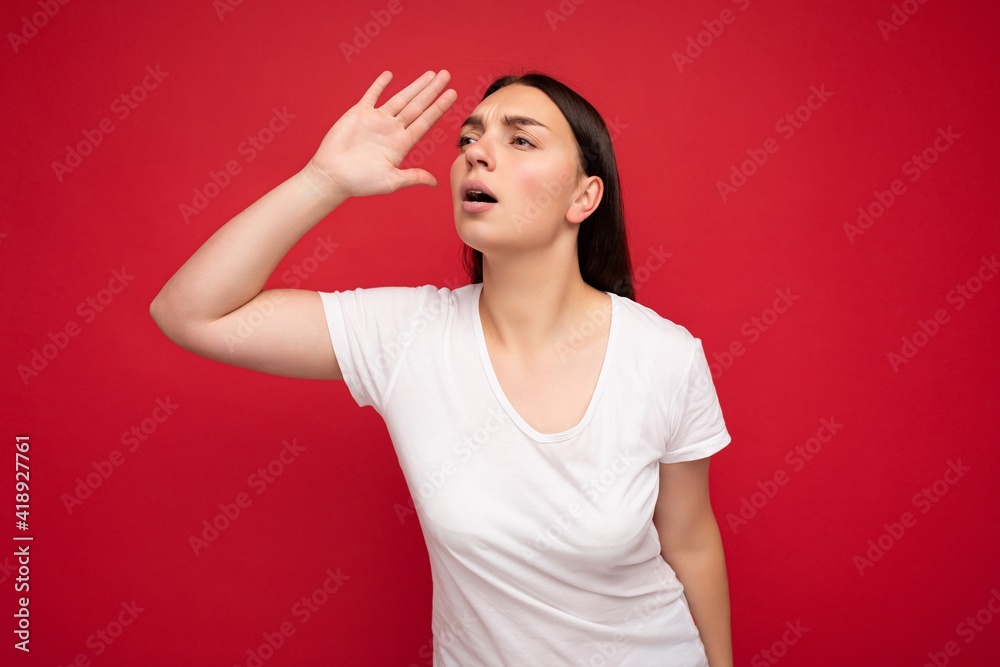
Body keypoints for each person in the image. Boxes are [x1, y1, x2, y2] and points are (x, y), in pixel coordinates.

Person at [150, 69, 734, 666]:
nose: (478, 153)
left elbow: (689, 540)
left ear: (584, 196)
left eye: (521, 139)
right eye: (469, 140)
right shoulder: (408, 336)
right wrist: (322, 181)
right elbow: (191, 314)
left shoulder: (665, 357)